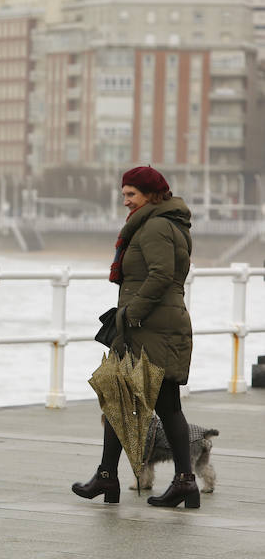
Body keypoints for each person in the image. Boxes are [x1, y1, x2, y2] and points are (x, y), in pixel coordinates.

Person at [73, 165, 198, 508]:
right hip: (154, 326)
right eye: (124, 193)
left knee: (164, 404)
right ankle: (109, 476)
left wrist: (130, 314)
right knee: (122, 399)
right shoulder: (159, 222)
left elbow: (161, 275)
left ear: (151, 195)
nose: (125, 200)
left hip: (152, 328)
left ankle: (180, 481)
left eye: (131, 194)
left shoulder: (156, 226)